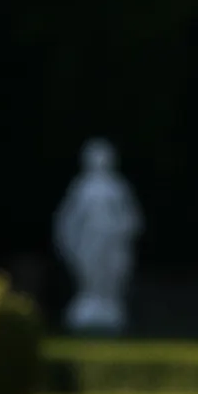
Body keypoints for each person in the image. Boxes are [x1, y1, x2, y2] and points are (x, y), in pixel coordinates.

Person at [52, 140, 141, 334]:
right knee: (89, 272)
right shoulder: (82, 187)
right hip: (90, 240)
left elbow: (131, 217)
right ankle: (90, 301)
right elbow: (69, 218)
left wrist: (121, 228)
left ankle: (107, 303)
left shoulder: (118, 187)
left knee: (110, 273)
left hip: (111, 239)